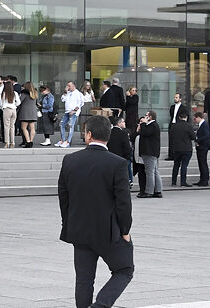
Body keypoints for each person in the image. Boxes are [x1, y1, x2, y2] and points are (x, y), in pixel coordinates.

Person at [58, 115, 134, 308]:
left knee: (84, 280)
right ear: (107, 136)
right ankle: (101, 305)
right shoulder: (117, 163)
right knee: (124, 269)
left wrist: (68, 223)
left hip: (79, 229)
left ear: (89, 134)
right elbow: (123, 202)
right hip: (108, 231)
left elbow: (64, 198)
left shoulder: (70, 160)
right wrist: (125, 230)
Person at [134, 111, 162, 198]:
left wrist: (142, 124)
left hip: (149, 152)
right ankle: (157, 190)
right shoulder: (152, 126)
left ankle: (149, 191)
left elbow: (145, 133)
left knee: (150, 172)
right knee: (154, 171)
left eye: (146, 116)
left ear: (150, 117)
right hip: (151, 152)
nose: (145, 117)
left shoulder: (152, 125)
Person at [168, 108, 194, 187]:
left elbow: (171, 136)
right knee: (184, 165)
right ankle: (183, 182)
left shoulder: (174, 126)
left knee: (176, 165)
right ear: (186, 117)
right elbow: (193, 137)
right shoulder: (188, 126)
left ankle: (173, 181)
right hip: (186, 148)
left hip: (176, 148)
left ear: (179, 117)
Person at [58, 82, 81, 148]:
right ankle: (63, 140)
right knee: (62, 124)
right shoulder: (68, 92)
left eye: (69, 86)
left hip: (73, 112)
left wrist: (74, 110)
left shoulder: (77, 93)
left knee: (71, 126)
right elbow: (63, 99)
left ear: (73, 86)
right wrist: (65, 92)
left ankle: (68, 141)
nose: (68, 87)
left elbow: (80, 103)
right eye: (67, 86)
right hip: (67, 111)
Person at [17, 82, 39, 148]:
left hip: (25, 112)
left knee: (24, 128)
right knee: (32, 128)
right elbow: (37, 103)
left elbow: (19, 101)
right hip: (33, 112)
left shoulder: (24, 93)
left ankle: (28, 141)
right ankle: (31, 141)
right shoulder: (35, 93)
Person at [193, 112, 210, 186]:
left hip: (203, 147)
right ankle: (202, 179)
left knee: (203, 163)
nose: (194, 120)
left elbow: (206, 136)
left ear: (198, 117)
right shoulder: (201, 125)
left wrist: (198, 140)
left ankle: (205, 180)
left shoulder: (204, 125)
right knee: (201, 163)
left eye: (195, 118)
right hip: (200, 147)